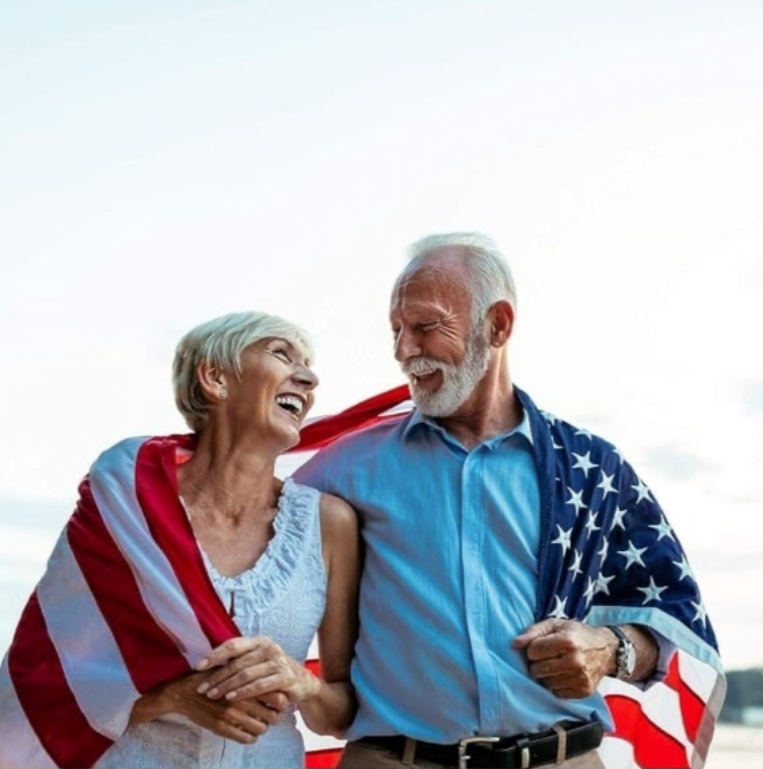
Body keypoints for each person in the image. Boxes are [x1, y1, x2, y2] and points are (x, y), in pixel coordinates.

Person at [294, 233, 724, 769]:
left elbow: (668, 623)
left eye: (425, 327)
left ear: (498, 325)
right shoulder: (341, 468)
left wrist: (609, 648)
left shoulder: (592, 469)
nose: (405, 350)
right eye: (397, 330)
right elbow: (229, 524)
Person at [0, 311, 360, 769]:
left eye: (307, 365)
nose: (308, 379)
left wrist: (300, 681)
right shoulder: (125, 502)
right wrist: (174, 697)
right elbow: (46, 682)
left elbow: (343, 712)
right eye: (281, 354)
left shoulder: (329, 524)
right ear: (215, 378)